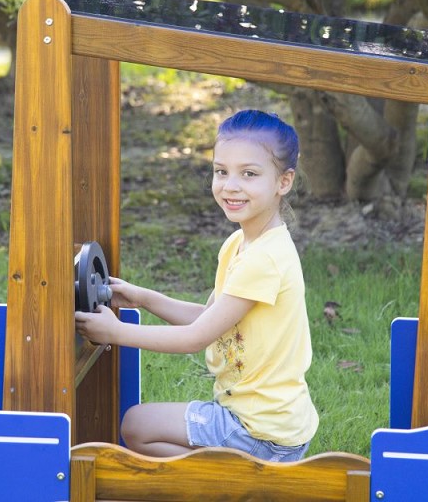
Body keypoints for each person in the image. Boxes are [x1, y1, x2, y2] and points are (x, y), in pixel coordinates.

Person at [75, 108, 319, 462]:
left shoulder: (264, 259)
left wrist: (115, 333)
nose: (230, 185)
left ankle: (241, 480)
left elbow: (195, 337)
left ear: (284, 181)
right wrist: (144, 298)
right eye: (221, 172)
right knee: (142, 428)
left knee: (136, 425)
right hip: (270, 422)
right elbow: (208, 317)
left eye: (249, 174)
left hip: (259, 430)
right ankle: (236, 480)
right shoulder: (240, 243)